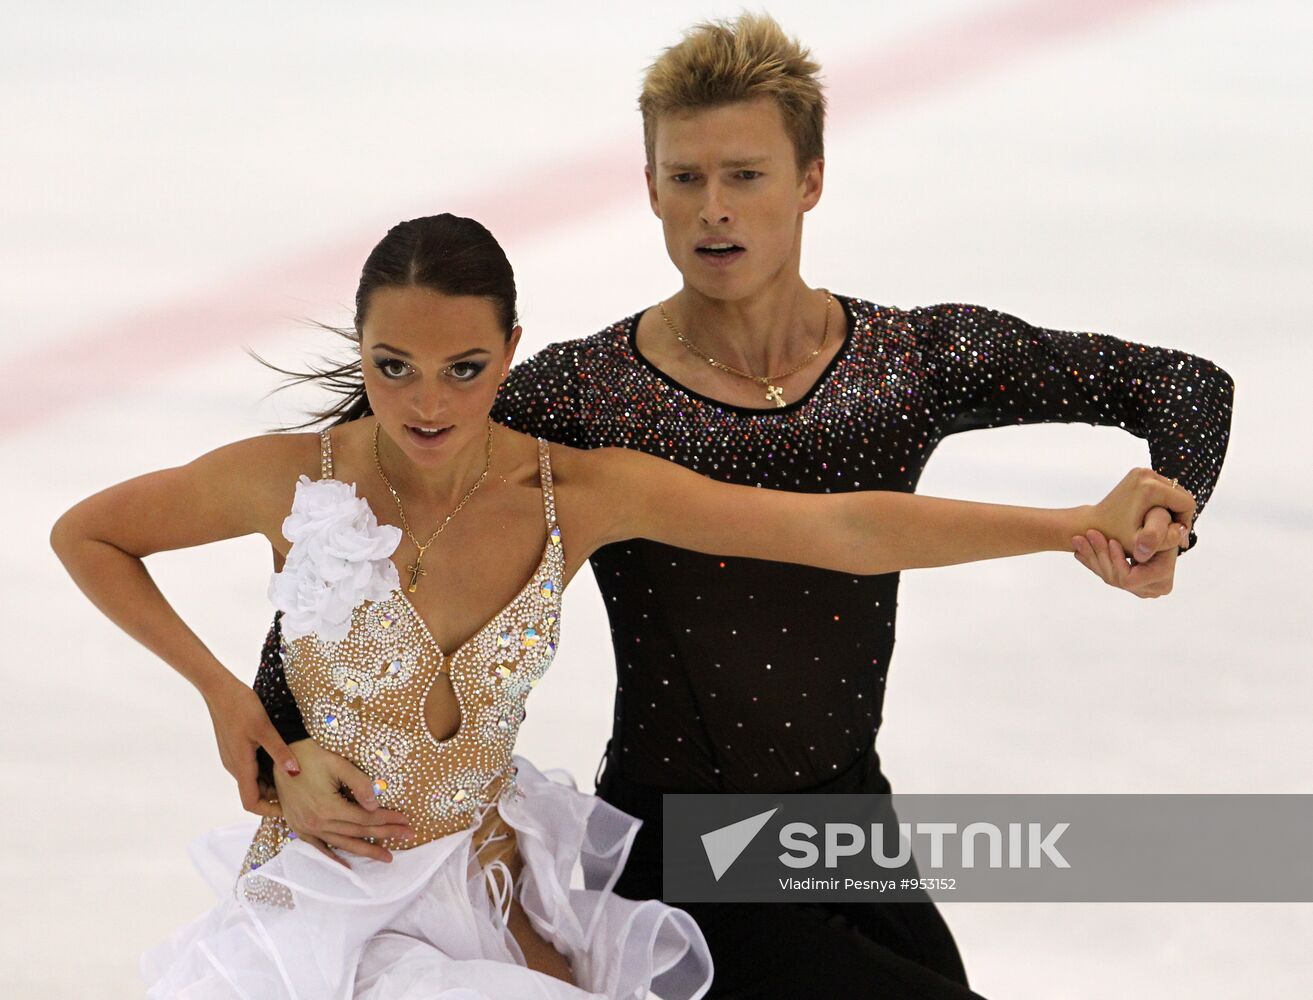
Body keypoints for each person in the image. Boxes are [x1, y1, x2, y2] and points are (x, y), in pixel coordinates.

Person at [244, 14, 1236, 1000]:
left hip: (848, 828)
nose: (712, 209)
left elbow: (1182, 387)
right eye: (685, 178)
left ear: (808, 178)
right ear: (649, 189)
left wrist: (1161, 515)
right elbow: (358, 523)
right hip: (685, 848)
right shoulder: (582, 396)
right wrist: (288, 740)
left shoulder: (908, 365)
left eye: (744, 176)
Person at [49, 211, 1196, 1000]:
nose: (426, 401)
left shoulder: (574, 494)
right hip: (324, 908)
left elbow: (839, 529)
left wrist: (1063, 530)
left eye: (463, 367)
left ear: (510, 352)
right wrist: (227, 707)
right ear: (363, 351)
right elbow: (87, 533)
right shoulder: (286, 477)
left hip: (492, 885)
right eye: (392, 366)